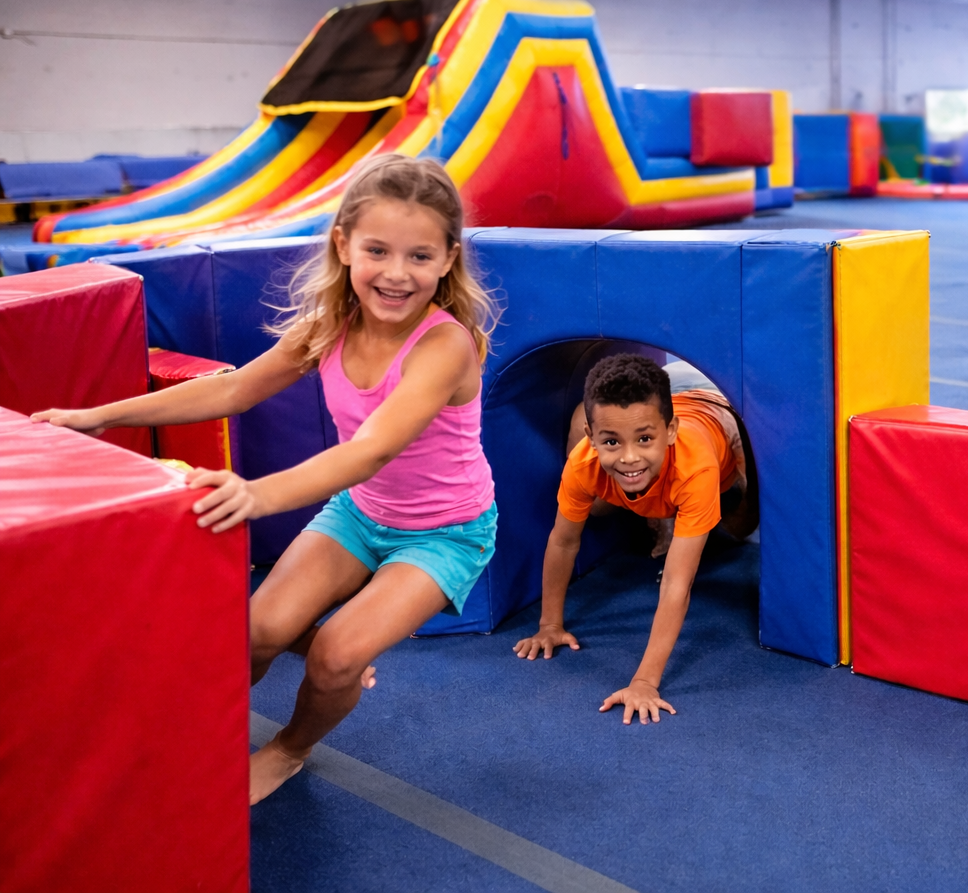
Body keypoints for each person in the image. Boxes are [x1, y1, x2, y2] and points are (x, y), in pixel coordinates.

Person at [32, 154, 498, 804]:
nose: (396, 274)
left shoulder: (445, 346)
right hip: (362, 513)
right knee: (256, 630)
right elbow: (237, 388)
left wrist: (255, 494)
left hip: (445, 533)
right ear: (343, 245)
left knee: (336, 655)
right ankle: (205, 731)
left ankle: (289, 749)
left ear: (449, 259)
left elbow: (368, 450)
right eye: (377, 250)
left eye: (420, 256)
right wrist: (99, 416)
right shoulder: (330, 326)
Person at [513, 354, 757, 724]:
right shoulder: (584, 462)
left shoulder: (697, 469)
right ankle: (649, 496)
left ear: (669, 431)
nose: (628, 456)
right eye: (611, 442)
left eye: (643, 439)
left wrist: (645, 681)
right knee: (596, 506)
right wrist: (549, 624)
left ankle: (689, 499)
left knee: (740, 526)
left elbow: (678, 582)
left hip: (719, 403)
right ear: (591, 439)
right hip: (668, 388)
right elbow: (563, 541)